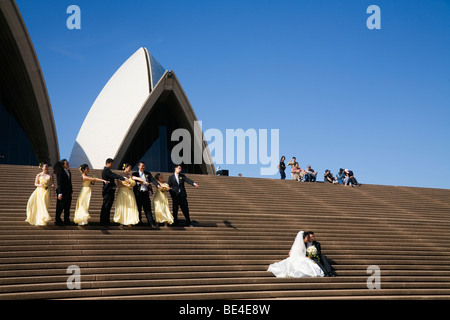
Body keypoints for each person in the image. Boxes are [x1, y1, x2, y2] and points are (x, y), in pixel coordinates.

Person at [100, 158, 127, 226]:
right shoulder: (106, 170)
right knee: (106, 206)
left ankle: (106, 221)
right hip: (108, 191)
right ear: (107, 163)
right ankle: (104, 221)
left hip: (110, 191)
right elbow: (114, 175)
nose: (112, 165)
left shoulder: (107, 170)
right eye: (111, 164)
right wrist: (123, 178)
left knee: (108, 206)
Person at [132, 161, 159, 228]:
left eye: (144, 166)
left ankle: (151, 223)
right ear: (138, 166)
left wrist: (157, 185)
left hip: (145, 193)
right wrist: (138, 183)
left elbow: (153, 180)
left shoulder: (147, 173)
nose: (143, 167)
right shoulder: (135, 173)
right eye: (142, 166)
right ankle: (138, 221)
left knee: (148, 209)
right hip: (138, 193)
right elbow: (132, 182)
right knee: (138, 208)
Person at [54, 159, 73, 225]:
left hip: (68, 192)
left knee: (67, 207)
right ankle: (57, 220)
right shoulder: (60, 172)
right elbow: (59, 183)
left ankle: (66, 220)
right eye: (66, 163)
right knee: (60, 207)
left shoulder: (68, 172)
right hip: (62, 192)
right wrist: (59, 193)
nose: (67, 164)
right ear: (63, 165)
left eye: (68, 163)